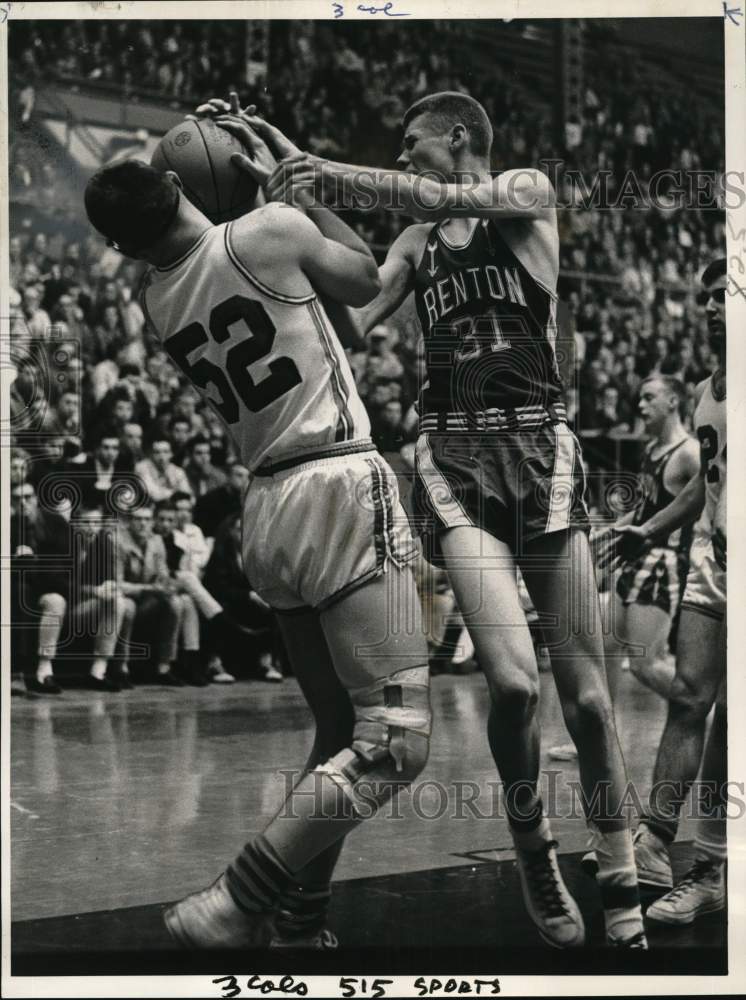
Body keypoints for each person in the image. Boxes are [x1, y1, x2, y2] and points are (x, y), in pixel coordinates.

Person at [219, 90, 646, 947]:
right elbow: (352, 321)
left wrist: (333, 169)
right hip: (454, 458)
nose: (406, 158)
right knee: (516, 684)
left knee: (592, 704)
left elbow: (443, 196)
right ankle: (534, 851)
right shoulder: (413, 245)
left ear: (459, 138)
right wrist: (301, 204)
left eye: (413, 145)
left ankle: (620, 862)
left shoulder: (525, 192)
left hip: (540, 449)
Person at [85, 154, 430, 950]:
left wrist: (270, 203)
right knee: (397, 744)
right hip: (338, 479)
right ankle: (238, 898)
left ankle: (300, 923)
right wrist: (299, 194)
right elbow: (365, 279)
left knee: (342, 730)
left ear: (126, 247)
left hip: (268, 506)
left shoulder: (156, 297)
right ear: (179, 187)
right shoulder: (271, 231)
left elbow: (306, 308)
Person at [601, 259, 727, 919]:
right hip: (715, 561)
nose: (711, 306)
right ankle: (662, 846)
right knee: (689, 700)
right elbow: (708, 486)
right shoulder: (710, 391)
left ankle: (713, 858)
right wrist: (648, 530)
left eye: (725, 293)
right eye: (705, 296)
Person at [549, 376, 699, 762]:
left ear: (673, 401)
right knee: (605, 645)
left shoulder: (690, 454)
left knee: (647, 665)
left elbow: (710, 504)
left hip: (663, 561)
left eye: (650, 398)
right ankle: (600, 737)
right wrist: (610, 531)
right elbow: (645, 509)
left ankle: (710, 717)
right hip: (635, 556)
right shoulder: (654, 449)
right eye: (640, 399)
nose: (641, 406)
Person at [11, 480, 71, 694]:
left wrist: (33, 561)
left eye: (27, 497)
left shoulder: (56, 523)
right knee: (18, 591)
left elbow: (63, 565)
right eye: (17, 499)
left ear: (36, 499)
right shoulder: (8, 526)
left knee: (55, 601)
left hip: (49, 585)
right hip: (17, 589)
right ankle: (16, 672)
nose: (23, 503)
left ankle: (45, 669)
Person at [135, 435, 193, 503]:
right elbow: (153, 494)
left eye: (165, 452)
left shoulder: (178, 471)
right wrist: (175, 494)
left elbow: (187, 493)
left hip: (175, 506)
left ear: (171, 454)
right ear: (151, 454)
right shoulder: (141, 467)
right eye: (157, 452)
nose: (161, 457)